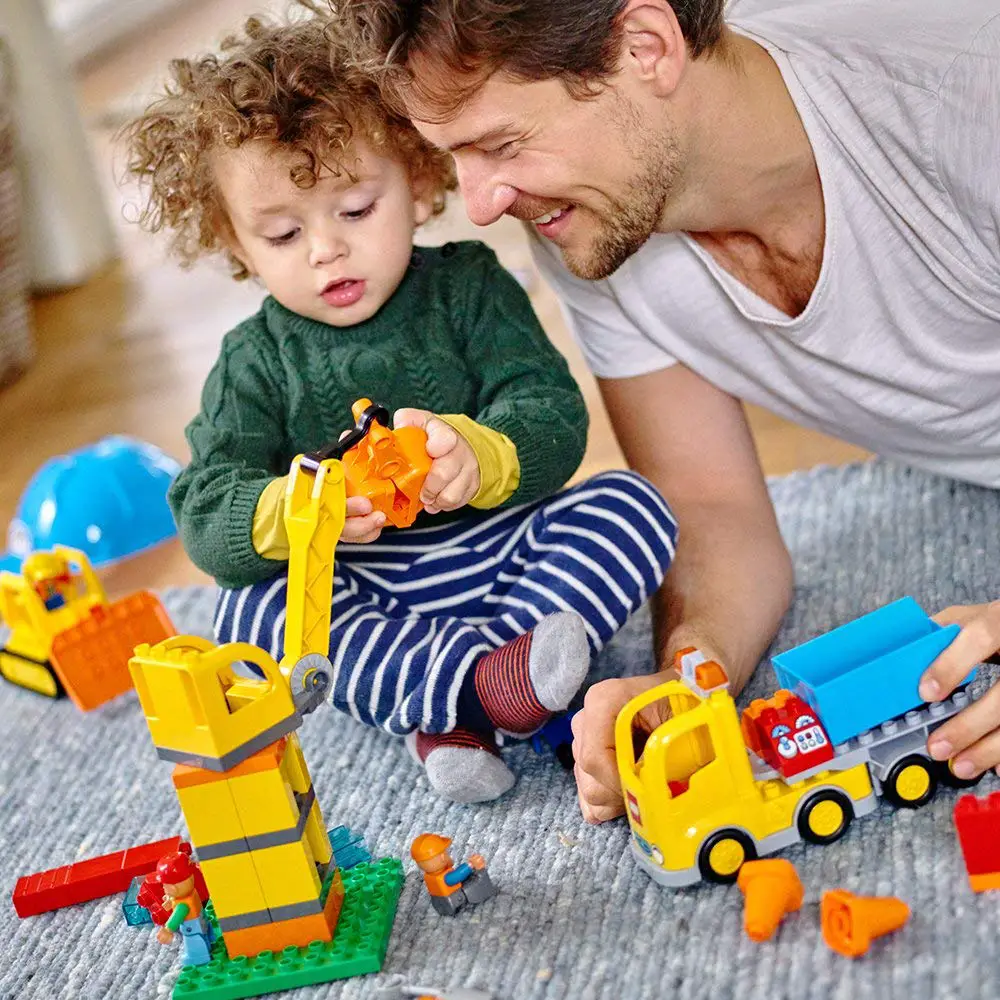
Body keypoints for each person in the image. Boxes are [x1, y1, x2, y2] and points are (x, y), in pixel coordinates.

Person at [335, 0, 1000, 821]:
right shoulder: (593, 218)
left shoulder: (967, 103)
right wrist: (691, 675)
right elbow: (710, 505)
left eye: (502, 144)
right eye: (456, 157)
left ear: (646, 48)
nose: (479, 204)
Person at [121, 15, 677, 805]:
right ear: (234, 243)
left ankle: (462, 704)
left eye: (355, 210)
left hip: (505, 551)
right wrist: (299, 510)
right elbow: (207, 518)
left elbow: (551, 414)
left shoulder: (469, 287)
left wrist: (474, 453)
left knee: (635, 503)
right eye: (281, 233)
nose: (325, 250)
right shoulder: (254, 361)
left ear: (418, 180)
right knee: (249, 615)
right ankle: (480, 688)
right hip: (372, 590)